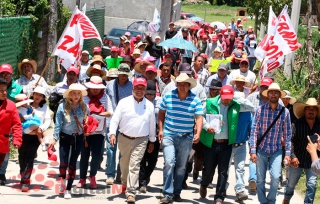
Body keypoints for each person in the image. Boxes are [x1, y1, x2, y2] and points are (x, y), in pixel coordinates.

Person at [109, 77, 156, 203]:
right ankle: (124, 182)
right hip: (124, 138)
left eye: (142, 88)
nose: (139, 91)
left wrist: (152, 141)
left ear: (145, 90)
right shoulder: (123, 102)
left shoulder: (150, 106)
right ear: (132, 88)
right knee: (124, 165)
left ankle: (131, 192)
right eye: (137, 88)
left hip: (141, 140)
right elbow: (115, 119)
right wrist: (112, 133)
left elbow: (152, 125)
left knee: (134, 166)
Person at [159, 73, 203, 203]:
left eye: (185, 84)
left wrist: (198, 133)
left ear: (189, 86)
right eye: (180, 84)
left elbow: (199, 118)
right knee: (169, 162)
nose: (182, 87)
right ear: (177, 85)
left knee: (181, 167)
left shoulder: (195, 99)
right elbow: (161, 113)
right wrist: (161, 130)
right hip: (169, 135)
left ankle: (176, 192)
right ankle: (167, 193)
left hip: (186, 138)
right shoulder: (168, 96)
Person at [250, 83, 292, 204]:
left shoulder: (285, 112)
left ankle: (271, 200)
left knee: (275, 177)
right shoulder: (260, 110)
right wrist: (253, 151)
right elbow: (254, 132)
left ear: (279, 95)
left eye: (276, 93)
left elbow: (288, 134)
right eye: (271, 92)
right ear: (268, 94)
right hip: (261, 149)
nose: (273, 95)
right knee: (260, 179)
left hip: (276, 150)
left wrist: (288, 154)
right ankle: (263, 201)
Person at [199, 85, 240, 204]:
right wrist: (207, 127)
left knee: (223, 171)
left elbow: (251, 106)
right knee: (208, 169)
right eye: (225, 98)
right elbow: (199, 115)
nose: (227, 100)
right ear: (220, 95)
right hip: (211, 143)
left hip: (226, 144)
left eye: (229, 98)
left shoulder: (235, 105)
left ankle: (219, 197)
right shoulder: (209, 103)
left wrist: (238, 97)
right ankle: (204, 184)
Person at [49, 83, 88, 199]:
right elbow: (58, 124)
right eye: (74, 93)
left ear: (81, 95)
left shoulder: (85, 106)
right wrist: (54, 138)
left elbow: (88, 121)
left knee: (72, 163)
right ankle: (62, 180)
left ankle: (68, 189)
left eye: (78, 93)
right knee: (63, 163)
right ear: (69, 94)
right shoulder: (62, 106)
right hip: (65, 137)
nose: (76, 96)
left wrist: (89, 130)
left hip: (78, 137)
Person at [76, 76, 113, 189]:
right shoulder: (84, 97)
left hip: (99, 131)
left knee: (96, 155)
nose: (95, 90)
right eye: (93, 88)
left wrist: (99, 115)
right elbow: (78, 111)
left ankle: (92, 176)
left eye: (97, 88)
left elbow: (110, 112)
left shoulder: (105, 98)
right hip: (85, 132)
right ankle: (82, 178)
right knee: (84, 155)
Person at [282, 98, 320, 204]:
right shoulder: (296, 124)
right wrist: (292, 156)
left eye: (314, 109)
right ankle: (287, 199)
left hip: (313, 161)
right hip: (297, 160)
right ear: (304, 110)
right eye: (308, 108)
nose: (311, 111)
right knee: (291, 184)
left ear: (317, 111)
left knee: (312, 185)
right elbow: (290, 141)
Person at [18, 86, 51, 192]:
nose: (37, 97)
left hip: (36, 136)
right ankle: (23, 175)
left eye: (40, 95)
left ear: (43, 98)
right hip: (24, 135)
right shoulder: (26, 104)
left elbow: (47, 120)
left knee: (30, 158)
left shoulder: (44, 107)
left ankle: (26, 181)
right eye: (36, 94)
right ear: (33, 94)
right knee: (22, 156)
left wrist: (41, 128)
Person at [105, 63, 133, 185]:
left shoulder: (132, 86)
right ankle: (110, 174)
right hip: (112, 120)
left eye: (125, 75)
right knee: (111, 149)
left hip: (125, 122)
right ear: (118, 74)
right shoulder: (109, 85)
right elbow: (106, 101)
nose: (123, 77)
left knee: (123, 150)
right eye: (121, 74)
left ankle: (120, 172)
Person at [246, 77, 273, 192]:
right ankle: (253, 179)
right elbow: (245, 113)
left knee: (265, 159)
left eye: (267, 87)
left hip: (271, 136)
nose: (264, 89)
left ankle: (261, 179)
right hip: (254, 133)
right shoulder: (251, 97)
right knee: (254, 155)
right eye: (262, 86)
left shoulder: (278, 100)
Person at [227, 92, 253, 201]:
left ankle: (240, 190)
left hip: (241, 145)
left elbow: (252, 131)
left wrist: (252, 147)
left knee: (240, 168)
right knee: (225, 169)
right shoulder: (229, 111)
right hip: (227, 145)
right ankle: (222, 187)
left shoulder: (248, 114)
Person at [0, 64, 23, 185]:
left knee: (4, 158)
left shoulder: (11, 104)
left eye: (5, 90)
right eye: (1, 91)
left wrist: (17, 139)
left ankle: (1, 174)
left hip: (4, 138)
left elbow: (17, 124)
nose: (4, 93)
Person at [138, 80, 161, 193]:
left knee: (153, 160)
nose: (150, 96)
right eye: (148, 93)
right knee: (141, 160)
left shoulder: (160, 101)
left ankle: (146, 175)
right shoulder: (139, 100)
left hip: (155, 133)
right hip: (142, 133)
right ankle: (142, 182)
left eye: (152, 93)